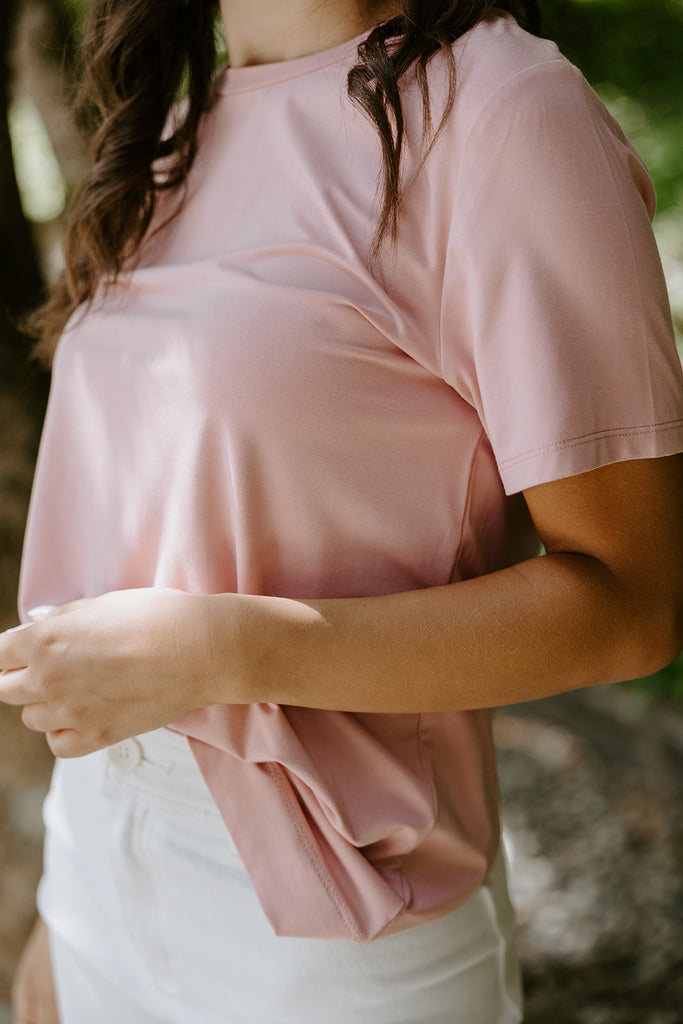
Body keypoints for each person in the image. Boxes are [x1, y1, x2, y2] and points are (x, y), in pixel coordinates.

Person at [3, 0, 683, 1020]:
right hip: (101, 874)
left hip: (325, 937)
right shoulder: (174, 128)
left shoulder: (501, 111)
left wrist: (225, 649)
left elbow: (632, 605)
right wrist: (77, 910)